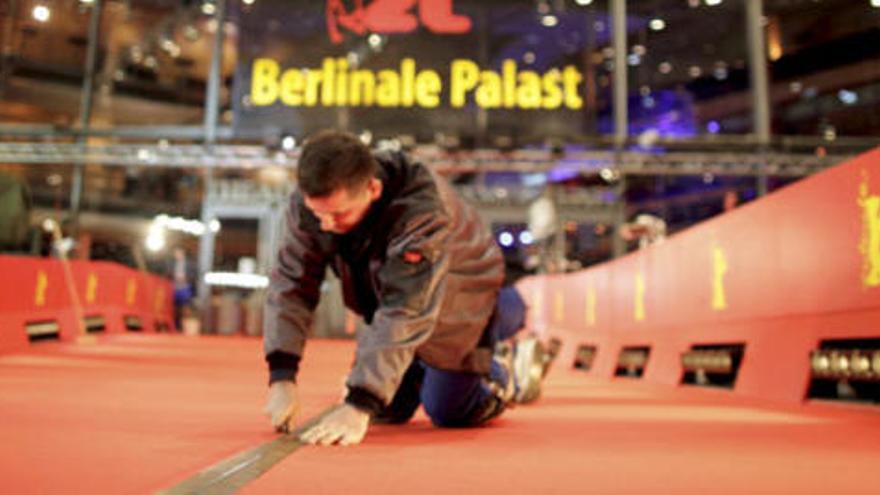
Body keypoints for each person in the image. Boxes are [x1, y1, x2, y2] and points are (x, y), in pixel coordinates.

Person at [262, 130, 549, 446]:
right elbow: (291, 284)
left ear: (373, 189)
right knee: (388, 409)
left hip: (462, 289)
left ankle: (505, 366)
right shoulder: (314, 203)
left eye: (339, 214)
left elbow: (407, 308)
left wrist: (359, 404)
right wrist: (282, 377)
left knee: (449, 412)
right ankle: (419, 366)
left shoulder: (421, 209)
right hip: (394, 295)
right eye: (319, 214)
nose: (326, 225)